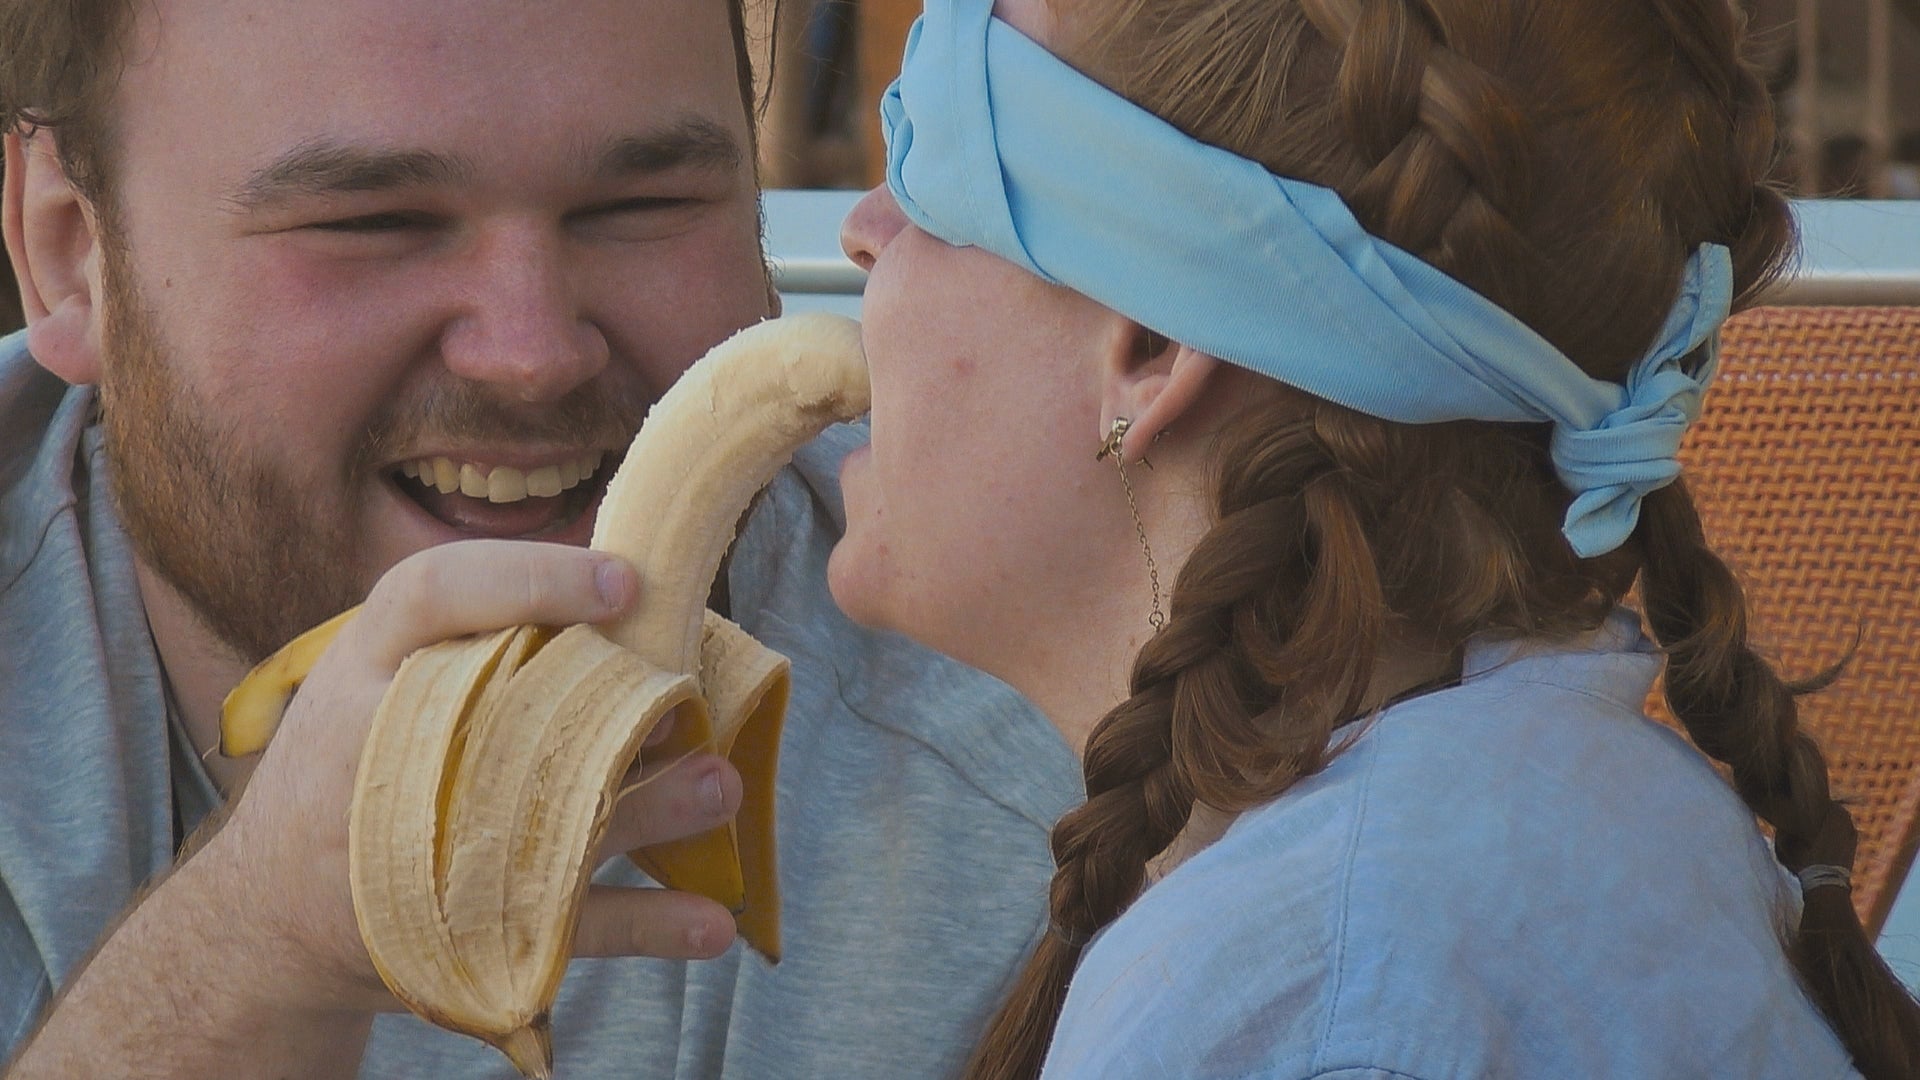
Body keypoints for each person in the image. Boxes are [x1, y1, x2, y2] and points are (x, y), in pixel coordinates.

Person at [830, 0, 1920, 1077]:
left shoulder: (1327, 999)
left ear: (1152, 341)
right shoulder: (1506, 846)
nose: (861, 231)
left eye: (926, 155)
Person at [0, 1, 1078, 1077]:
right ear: (69, 249)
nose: (531, 352)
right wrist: (237, 956)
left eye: (642, 204)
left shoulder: (1051, 759)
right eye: (373, 222)